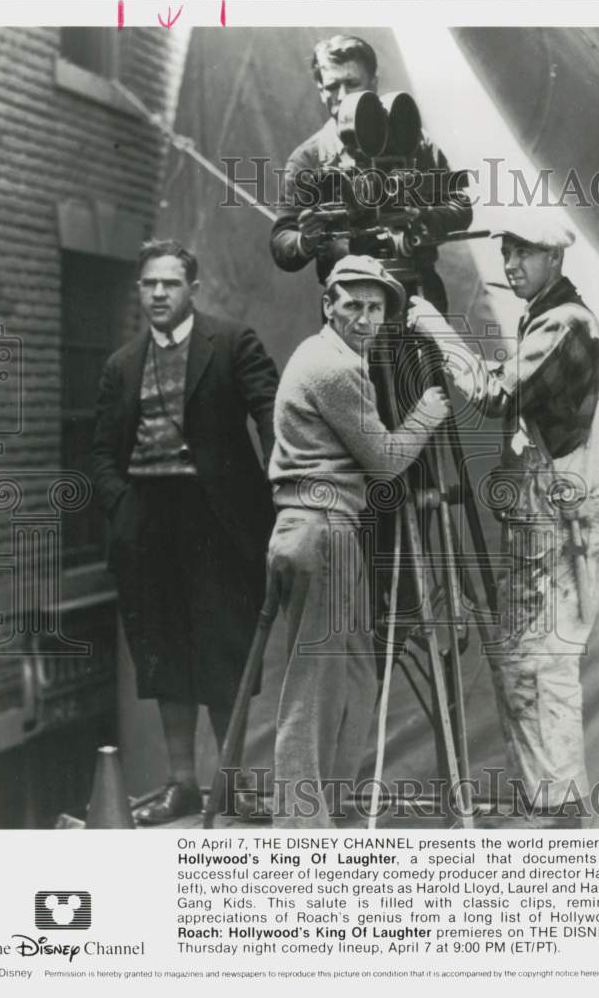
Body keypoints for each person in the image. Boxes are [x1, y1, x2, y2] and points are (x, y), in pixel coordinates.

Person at [407, 210, 599, 827]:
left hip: (566, 515)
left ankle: (558, 810)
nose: (511, 264)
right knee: (527, 661)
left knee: (546, 662)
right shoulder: (546, 315)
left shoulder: (566, 323)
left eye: (524, 252)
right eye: (506, 252)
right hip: (547, 509)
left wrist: (433, 327)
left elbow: (496, 396)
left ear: (555, 258)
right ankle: (546, 802)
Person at [91, 239, 279, 824]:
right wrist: (124, 508)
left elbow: (275, 416)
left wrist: (282, 487)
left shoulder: (232, 343)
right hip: (148, 523)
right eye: (149, 284)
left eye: (170, 284)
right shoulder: (121, 365)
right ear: (139, 289)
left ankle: (231, 785)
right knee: (164, 655)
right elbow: (99, 453)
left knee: (224, 651)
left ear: (192, 290)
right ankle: (182, 785)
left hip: (219, 523)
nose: (158, 295)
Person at [267, 255, 451, 828]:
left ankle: (332, 811)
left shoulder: (340, 359)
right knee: (314, 687)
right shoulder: (332, 365)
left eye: (375, 308)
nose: (365, 319)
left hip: (332, 529)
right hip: (319, 529)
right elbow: (387, 462)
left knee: (353, 676)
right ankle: (299, 833)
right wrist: (426, 414)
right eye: (353, 305)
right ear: (329, 304)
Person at [269, 34, 472, 309]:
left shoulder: (414, 143)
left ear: (373, 84)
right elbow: (283, 243)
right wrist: (306, 240)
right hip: (350, 302)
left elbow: (460, 206)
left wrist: (424, 216)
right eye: (332, 86)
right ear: (320, 90)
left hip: (418, 293)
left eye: (352, 84)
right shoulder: (309, 159)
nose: (341, 96)